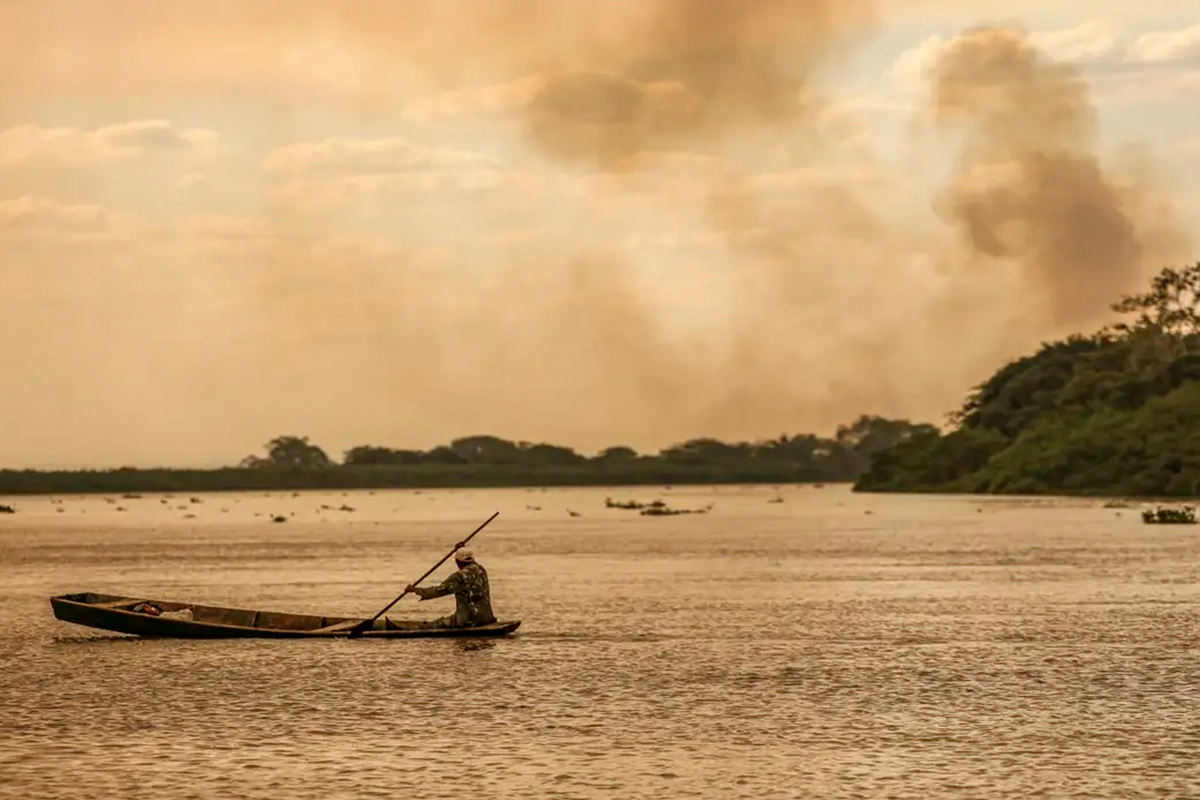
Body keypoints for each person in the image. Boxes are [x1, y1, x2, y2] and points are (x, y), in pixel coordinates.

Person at [405, 548, 496, 628]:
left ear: (457, 562)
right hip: (486, 617)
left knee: (435, 625)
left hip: (469, 621)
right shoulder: (481, 570)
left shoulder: (459, 576)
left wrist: (415, 590)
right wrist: (460, 549)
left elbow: (438, 591)